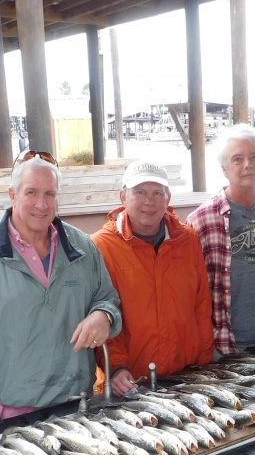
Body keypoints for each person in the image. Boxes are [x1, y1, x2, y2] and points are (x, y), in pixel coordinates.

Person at [0, 151, 122, 422]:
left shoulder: (83, 247)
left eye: (50, 194)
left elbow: (108, 299)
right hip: (7, 412)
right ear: (12, 195)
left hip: (76, 405)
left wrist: (104, 315)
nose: (41, 204)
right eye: (31, 192)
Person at [91, 161, 213, 395]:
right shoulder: (101, 246)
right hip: (129, 383)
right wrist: (115, 368)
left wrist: (205, 362)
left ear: (168, 199)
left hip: (186, 375)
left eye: (158, 193)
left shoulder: (188, 240)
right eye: (140, 192)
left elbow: (201, 305)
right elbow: (99, 313)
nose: (150, 201)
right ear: (123, 197)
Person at [187, 124, 255, 356]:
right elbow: (190, 290)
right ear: (224, 169)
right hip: (224, 346)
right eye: (237, 159)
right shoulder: (201, 220)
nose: (248, 165)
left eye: (254, 157)